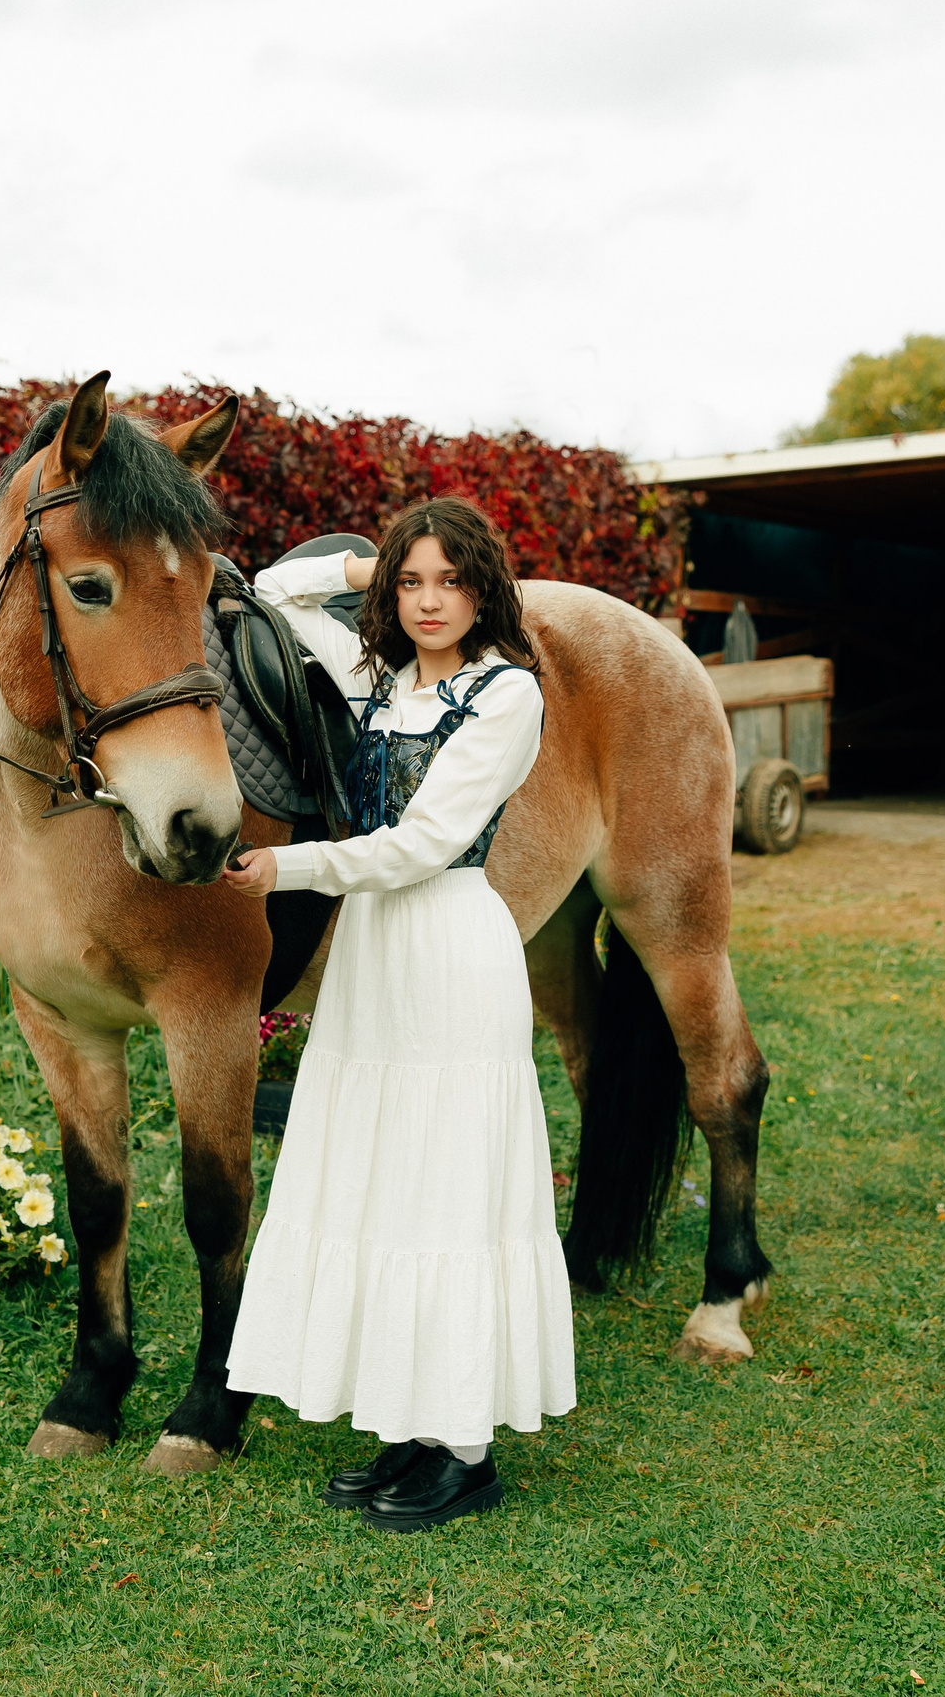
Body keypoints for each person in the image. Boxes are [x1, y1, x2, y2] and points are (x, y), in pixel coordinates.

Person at [221, 495, 575, 1532]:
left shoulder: (506, 698)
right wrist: (364, 567)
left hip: (447, 946)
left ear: (484, 590)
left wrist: (287, 866)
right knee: (385, 1182)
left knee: (449, 1188)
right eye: (411, 583)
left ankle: (463, 1453)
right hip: (373, 958)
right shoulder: (377, 679)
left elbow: (422, 846)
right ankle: (408, 1426)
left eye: (450, 581)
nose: (429, 602)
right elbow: (267, 593)